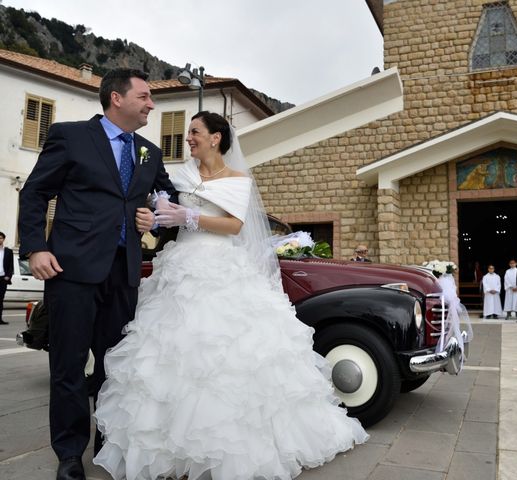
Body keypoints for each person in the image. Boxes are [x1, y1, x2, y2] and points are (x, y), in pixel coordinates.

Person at [93, 111, 368, 480]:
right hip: (179, 267)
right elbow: (162, 212)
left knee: (225, 353)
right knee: (171, 352)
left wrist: (188, 216)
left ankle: (230, 445)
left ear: (216, 138)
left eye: (194, 132)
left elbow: (233, 225)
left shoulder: (238, 181)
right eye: (188, 131)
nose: (187, 137)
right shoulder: (180, 175)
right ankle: (168, 442)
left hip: (221, 266)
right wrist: (157, 219)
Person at [18, 68, 176, 480]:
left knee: (115, 366)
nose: (151, 104)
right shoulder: (70, 136)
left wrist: (154, 219)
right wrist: (35, 246)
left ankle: (109, 443)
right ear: (116, 98)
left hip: (123, 273)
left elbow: (169, 200)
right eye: (144, 96)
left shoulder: (149, 152)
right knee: (69, 365)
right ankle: (69, 454)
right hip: (71, 268)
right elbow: (35, 191)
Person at [0, 231, 14, 325]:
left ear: (3, 239)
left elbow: (10, 266)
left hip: (2, 279)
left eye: (1, 238)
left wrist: (8, 276)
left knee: (0, 299)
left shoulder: (8, 251)